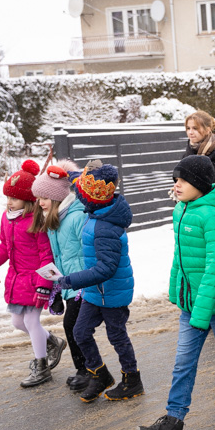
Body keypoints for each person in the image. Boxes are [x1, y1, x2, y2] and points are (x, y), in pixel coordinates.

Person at [135, 155, 215, 430]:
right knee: (183, 363)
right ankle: (173, 422)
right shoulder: (181, 210)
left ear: (200, 185)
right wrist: (176, 292)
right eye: (175, 180)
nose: (176, 185)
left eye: (183, 180)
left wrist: (202, 311)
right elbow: (181, 259)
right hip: (193, 305)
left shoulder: (213, 217)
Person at [58, 161, 144, 403]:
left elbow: (105, 269)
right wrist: (69, 172)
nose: (78, 196)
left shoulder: (106, 227)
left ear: (92, 200)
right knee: (80, 332)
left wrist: (69, 280)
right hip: (95, 291)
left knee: (117, 336)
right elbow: (79, 182)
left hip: (111, 292)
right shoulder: (96, 208)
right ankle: (100, 374)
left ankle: (132, 379)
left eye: (81, 195)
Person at [0, 160, 58, 388]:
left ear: (28, 199)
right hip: (16, 281)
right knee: (17, 322)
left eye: (14, 198)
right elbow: (3, 247)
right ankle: (53, 342)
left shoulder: (37, 220)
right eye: (7, 198)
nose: (9, 203)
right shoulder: (7, 218)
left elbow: (46, 257)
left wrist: (45, 285)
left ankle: (41, 366)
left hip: (36, 281)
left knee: (32, 321)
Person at [32, 161, 89, 391]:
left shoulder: (75, 217)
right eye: (38, 198)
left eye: (44, 197)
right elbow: (58, 257)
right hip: (68, 284)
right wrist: (56, 289)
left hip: (83, 284)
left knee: (74, 326)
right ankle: (84, 369)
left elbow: (88, 252)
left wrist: (87, 280)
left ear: (57, 196)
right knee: (74, 327)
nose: (40, 202)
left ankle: (88, 370)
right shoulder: (54, 220)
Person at [183, 110, 215, 186]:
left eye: (195, 128)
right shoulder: (189, 152)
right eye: (188, 128)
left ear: (207, 130)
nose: (190, 132)